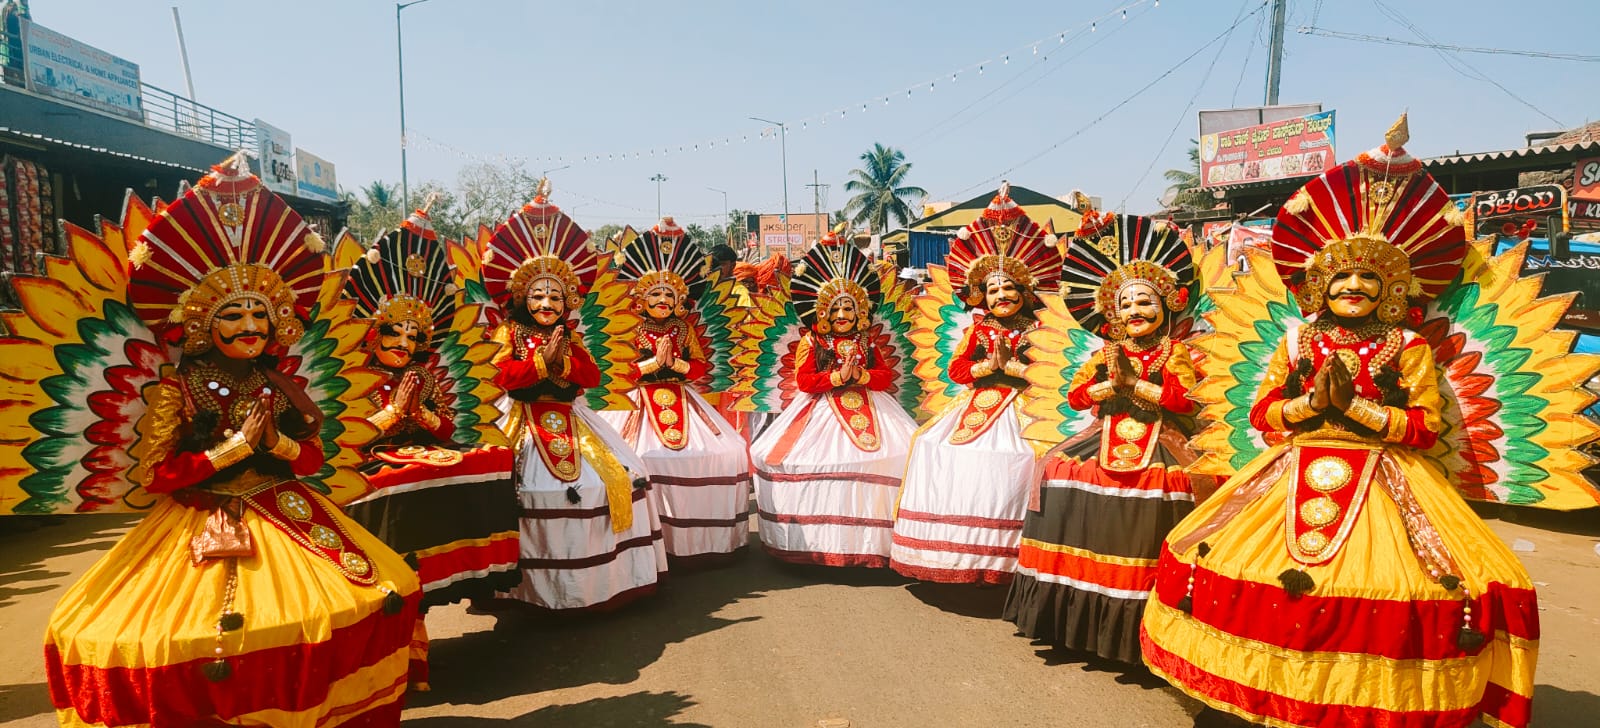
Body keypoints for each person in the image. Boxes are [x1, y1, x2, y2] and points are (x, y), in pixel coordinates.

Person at [1141, 117, 1540, 727]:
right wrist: (1311, 407)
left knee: (1406, 588)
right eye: (1341, 277)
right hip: (1294, 463)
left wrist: (1355, 408)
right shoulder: (1298, 340)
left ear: (1389, 290)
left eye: (1367, 279)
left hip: (1385, 474)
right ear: (1319, 287)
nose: (1353, 287)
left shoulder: (1407, 345)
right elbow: (1263, 413)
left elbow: (1425, 427)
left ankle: (1353, 701)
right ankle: (1268, 690)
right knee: (1232, 565)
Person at [42, 156, 419, 726]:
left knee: (357, 601)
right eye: (234, 316)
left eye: (260, 316)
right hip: (204, 517)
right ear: (203, 324)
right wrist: (235, 447)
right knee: (191, 638)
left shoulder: (278, 382)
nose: (250, 328)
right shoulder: (180, 387)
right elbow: (157, 475)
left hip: (285, 505)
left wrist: (276, 446)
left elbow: (311, 457)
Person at [1002, 211, 1203, 665]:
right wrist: (1112, 384)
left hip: (1160, 436)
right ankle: (1066, 617)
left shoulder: (1176, 351)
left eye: (1144, 302)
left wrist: (1138, 385)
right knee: (1057, 469)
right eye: (1125, 305)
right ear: (1113, 314)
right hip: (1104, 431)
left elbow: (1186, 402)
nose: (1135, 311)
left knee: (1164, 485)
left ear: (1166, 306)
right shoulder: (1105, 352)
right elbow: (1075, 396)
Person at [339, 206, 521, 686]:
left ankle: (465, 572)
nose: (404, 341)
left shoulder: (420, 374)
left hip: (417, 451)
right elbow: (347, 432)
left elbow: (444, 428)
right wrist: (391, 414)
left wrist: (418, 413)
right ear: (373, 333)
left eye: (413, 334)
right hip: (365, 461)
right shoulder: (355, 372)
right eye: (394, 332)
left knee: (491, 460)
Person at [477, 180, 664, 610]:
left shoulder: (570, 335)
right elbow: (499, 376)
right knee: (516, 491)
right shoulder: (510, 332)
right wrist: (540, 362)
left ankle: (597, 582)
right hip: (522, 420)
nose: (547, 303)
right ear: (523, 298)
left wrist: (562, 361)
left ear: (567, 302)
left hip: (572, 417)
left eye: (555, 297)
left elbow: (592, 376)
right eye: (538, 295)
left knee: (613, 478)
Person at [890, 183, 1062, 584]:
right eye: (993, 289)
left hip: (1026, 408)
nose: (1001, 295)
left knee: (1018, 461)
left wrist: (1014, 369)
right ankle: (958, 549)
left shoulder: (1040, 329)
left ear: (1026, 291)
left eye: (1009, 288)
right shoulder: (979, 329)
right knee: (932, 445)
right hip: (979, 401)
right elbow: (956, 370)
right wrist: (986, 367)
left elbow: (1050, 371)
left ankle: (1016, 555)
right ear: (982, 296)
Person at [749, 227, 917, 567]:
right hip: (820, 410)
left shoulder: (867, 341)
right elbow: (804, 381)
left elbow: (886, 376)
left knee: (898, 457)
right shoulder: (813, 341)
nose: (842, 315)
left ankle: (874, 543)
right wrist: (837, 378)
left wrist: (862, 376)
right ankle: (823, 544)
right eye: (836, 308)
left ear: (860, 311)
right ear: (823, 311)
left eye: (849, 308)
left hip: (872, 405)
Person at [602, 217, 752, 558]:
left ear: (679, 300)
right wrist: (654, 364)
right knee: (636, 459)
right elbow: (620, 369)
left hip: (684, 397)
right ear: (641, 298)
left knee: (725, 452)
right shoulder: (631, 327)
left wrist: (675, 364)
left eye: (668, 295)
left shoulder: (683, 329)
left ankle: (698, 541)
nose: (662, 300)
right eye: (655, 293)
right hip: (637, 404)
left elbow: (699, 365)